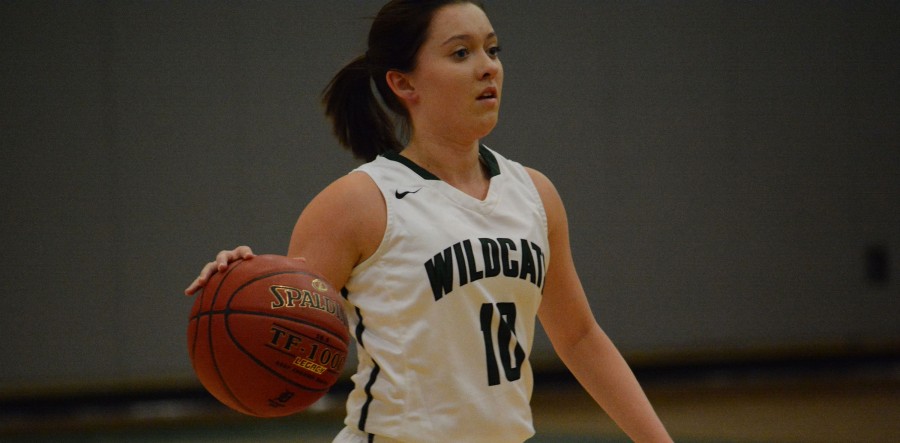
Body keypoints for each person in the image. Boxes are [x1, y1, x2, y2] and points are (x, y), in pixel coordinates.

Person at [185, 1, 672, 442]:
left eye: (493, 49)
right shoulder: (360, 201)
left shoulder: (534, 193)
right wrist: (243, 278)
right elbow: (287, 314)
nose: (487, 68)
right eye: (461, 54)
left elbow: (580, 337)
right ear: (403, 82)